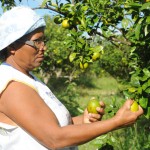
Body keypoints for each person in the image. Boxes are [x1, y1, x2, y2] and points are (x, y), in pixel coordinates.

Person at [0, 6, 143, 150]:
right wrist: (116, 122)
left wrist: (83, 121)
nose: (43, 47)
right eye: (37, 42)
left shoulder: (29, 78)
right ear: (12, 46)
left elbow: (51, 126)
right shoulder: (11, 85)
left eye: (44, 40)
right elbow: (54, 138)